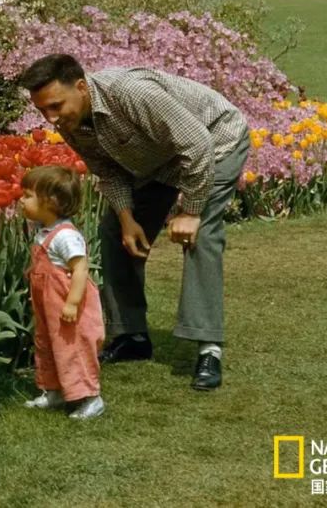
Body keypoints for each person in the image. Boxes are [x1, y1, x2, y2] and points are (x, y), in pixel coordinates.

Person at [18, 54, 249, 391]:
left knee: (201, 234)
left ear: (81, 87)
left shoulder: (130, 94)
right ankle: (132, 335)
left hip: (215, 141)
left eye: (55, 106)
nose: (50, 119)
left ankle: (208, 348)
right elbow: (108, 171)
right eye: (42, 111)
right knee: (113, 233)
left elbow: (196, 144)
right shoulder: (72, 121)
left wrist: (191, 211)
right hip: (160, 160)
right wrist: (127, 219)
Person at [19, 164, 105, 419]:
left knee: (73, 347)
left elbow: (80, 269)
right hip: (48, 303)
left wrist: (72, 303)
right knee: (47, 343)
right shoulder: (44, 231)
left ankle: (90, 397)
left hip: (67, 304)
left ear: (51, 202)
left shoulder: (66, 236)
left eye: (27, 195)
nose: (21, 201)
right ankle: (54, 390)